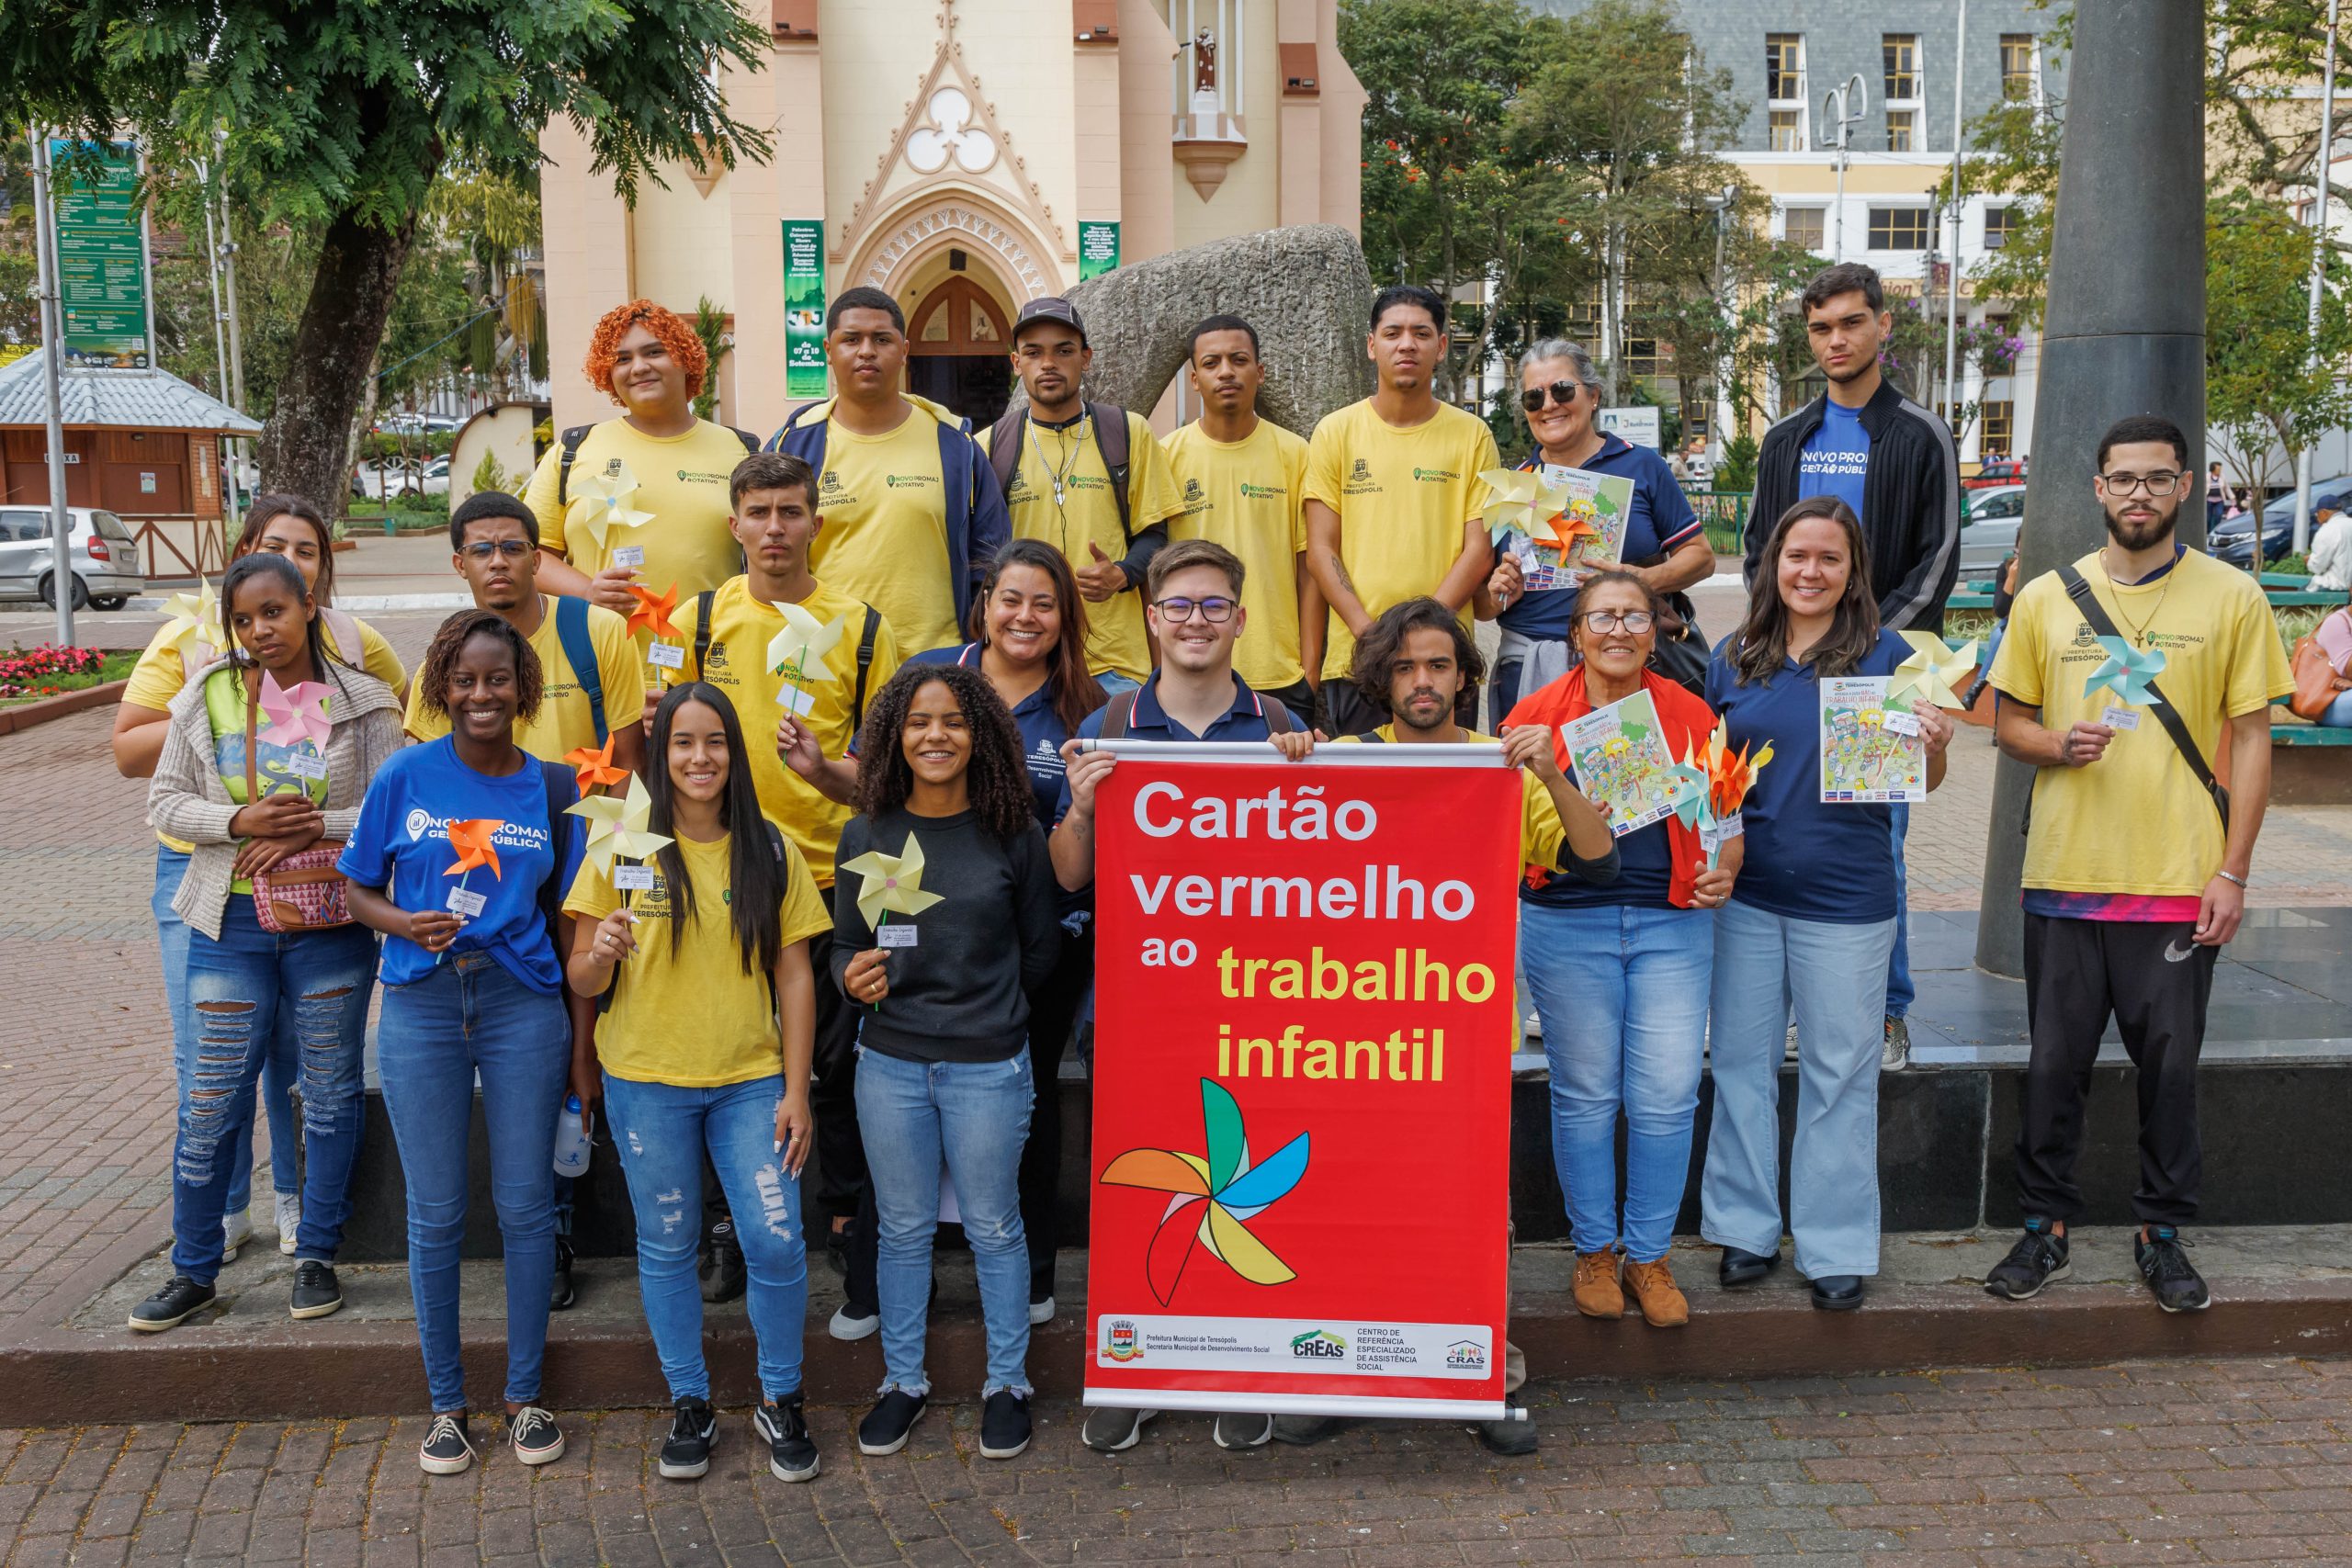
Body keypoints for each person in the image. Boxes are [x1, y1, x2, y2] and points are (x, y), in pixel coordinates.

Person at [1982, 416, 2293, 1314]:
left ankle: (2161, 1232)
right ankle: (2043, 1228)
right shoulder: (2047, 597)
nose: (2138, 494)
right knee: (2053, 1067)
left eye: (2157, 479)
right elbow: (2006, 723)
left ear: (2186, 486)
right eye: (2122, 478)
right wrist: (2053, 741)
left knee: (2169, 1068)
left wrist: (2232, 871)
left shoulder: (2231, 597)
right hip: (2066, 877)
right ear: (2096, 487)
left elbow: (2250, 741)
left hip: (2176, 883)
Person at [1309, 596, 1619, 1458]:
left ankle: (1478, 1373)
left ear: (1463, 676)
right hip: (1354, 1034)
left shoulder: (1498, 767)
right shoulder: (1344, 761)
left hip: (1462, 1040)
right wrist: (1292, 761)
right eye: (1405, 666)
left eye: (1438, 665)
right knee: (1352, 1204)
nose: (1421, 681)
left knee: (1468, 1212)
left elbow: (1600, 861)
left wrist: (1553, 772)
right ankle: (1332, 1373)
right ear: (1381, 677)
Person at [1050, 537, 1313, 1457]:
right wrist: (1081, 807)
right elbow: (1069, 878)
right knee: (1136, 1192)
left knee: (1238, 1194)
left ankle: (1238, 1367)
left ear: (1240, 620)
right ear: (1150, 618)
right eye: (1178, 607)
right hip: (1136, 1014)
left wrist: (1311, 782)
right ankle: (1130, 1369)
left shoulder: (1280, 727)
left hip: (1249, 1014)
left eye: (1213, 606)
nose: (1195, 622)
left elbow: (1328, 876)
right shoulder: (1110, 723)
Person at [113, 493, 409, 1263]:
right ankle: (194, 1265)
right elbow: (163, 796)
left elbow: (391, 813)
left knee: (328, 1093)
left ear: (311, 605)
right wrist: (240, 822)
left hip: (329, 926)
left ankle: (315, 1254)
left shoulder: (366, 698)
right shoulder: (205, 696)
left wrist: (318, 825)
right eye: (245, 620)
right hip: (226, 924)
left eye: (275, 611)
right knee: (211, 1095)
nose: (260, 631)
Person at [565, 682, 831, 1483]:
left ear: (733, 752)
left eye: (714, 741)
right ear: (660, 753)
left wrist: (797, 1089)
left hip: (752, 1083)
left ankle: (780, 1396)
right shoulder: (618, 844)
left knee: (777, 1239)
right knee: (668, 1243)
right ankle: (690, 1400)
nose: (699, 757)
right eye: (682, 742)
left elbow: (795, 978)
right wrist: (601, 950)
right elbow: (580, 977)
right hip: (647, 1080)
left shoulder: (772, 849)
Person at [1702, 497, 1954, 1313]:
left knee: (1839, 1073)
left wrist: (1936, 747)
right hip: (1746, 899)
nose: (1810, 572)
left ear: (1853, 573)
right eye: (1797, 556)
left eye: (1829, 559)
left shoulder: (1889, 657)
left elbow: (1922, 783)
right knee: (1740, 1065)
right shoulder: (1734, 655)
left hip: (1848, 901)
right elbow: (1708, 776)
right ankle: (1743, 1229)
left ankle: (1834, 1244)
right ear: (1774, 564)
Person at [341, 610, 579, 1473]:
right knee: (435, 1211)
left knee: (524, 1207)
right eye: (466, 680)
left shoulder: (552, 788)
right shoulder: (405, 774)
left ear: (523, 687)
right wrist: (406, 920)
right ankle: (446, 1404)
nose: (483, 694)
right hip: (422, 1005)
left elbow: (572, 912)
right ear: (442, 687)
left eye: (499, 679)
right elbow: (355, 887)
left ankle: (524, 1396)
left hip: (523, 1004)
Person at [666, 451, 903, 1316]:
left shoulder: (864, 627)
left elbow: (882, 781)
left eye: (790, 512)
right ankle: (727, 1224)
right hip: (720, 873)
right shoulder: (695, 620)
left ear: (816, 523)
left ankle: (840, 1219)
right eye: (758, 512)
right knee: (734, 1058)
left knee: (833, 1065)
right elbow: (669, 749)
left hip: (829, 875)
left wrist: (822, 769)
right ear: (734, 525)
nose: (774, 528)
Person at [406, 488, 646, 1311]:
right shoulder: (447, 651)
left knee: (582, 1058)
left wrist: (613, 872)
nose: (499, 562)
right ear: (460, 563)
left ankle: (566, 1224)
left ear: (539, 555)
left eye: (515, 546)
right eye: (482, 549)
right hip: (482, 889)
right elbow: (419, 779)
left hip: (577, 870)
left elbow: (633, 760)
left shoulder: (597, 631)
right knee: (526, 1061)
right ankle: (542, 1231)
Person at [832, 663, 1061, 1462]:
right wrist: (849, 975)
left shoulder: (1015, 831)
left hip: (988, 1067)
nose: (936, 736)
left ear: (982, 735)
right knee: (900, 1229)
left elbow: (1039, 953)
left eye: (954, 721)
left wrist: (983, 1007)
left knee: (996, 1225)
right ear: (895, 733)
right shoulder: (867, 832)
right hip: (889, 1063)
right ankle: (904, 1381)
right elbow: (843, 945)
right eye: (920, 721)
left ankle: (1008, 1385)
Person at [1502, 570, 1738, 1333]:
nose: (1618, 629)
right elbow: (1499, 829)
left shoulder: (1692, 712)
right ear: (1575, 632)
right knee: (1585, 1094)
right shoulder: (1534, 715)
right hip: (1567, 924)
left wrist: (1723, 869)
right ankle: (1595, 1248)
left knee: (1668, 1097)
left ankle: (1649, 1253)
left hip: (1672, 924)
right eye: (1601, 615)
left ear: (1655, 629)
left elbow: (1724, 819)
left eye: (1635, 615)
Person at [1742, 262, 1963, 1073]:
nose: (1836, 339)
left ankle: (1887, 1013)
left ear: (1882, 327)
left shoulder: (1919, 433)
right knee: (1780, 822)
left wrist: (1865, 646)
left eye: (1850, 323)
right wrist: (1783, 635)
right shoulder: (1785, 438)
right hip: (1789, 664)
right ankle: (1794, 1009)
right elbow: (1762, 551)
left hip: (1881, 669)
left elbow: (1939, 562)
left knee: (1878, 842)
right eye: (1821, 327)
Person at [906, 539, 1109, 1324]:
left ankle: (1030, 1277)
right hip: (937, 936)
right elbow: (882, 789)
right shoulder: (931, 675)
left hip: (1047, 942)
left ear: (1066, 620)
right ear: (985, 604)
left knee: (1029, 1102)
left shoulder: (1093, 706)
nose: (1025, 616)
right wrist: (821, 770)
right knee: (919, 1100)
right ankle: (906, 1273)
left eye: (1045, 603)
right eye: (1011, 599)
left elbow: (1070, 865)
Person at [1476, 341, 1711, 728]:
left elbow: (1700, 557)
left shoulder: (1642, 465)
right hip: (1531, 669)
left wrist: (1644, 579)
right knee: (1532, 786)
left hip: (1627, 661)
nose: (1549, 405)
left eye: (1562, 390)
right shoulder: (1514, 485)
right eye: (1534, 398)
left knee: (1632, 782)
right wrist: (1498, 593)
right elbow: (1483, 605)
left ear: (1594, 396)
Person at [767, 287, 1012, 655]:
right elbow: (762, 558)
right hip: (826, 661)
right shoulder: (794, 445)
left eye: (882, 339)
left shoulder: (954, 445)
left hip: (934, 662)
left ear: (904, 352)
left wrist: (984, 648)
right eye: (851, 339)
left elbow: (992, 557)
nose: (867, 350)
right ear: (828, 352)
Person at [1305, 284, 1501, 738]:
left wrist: (1422, 637)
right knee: (1354, 800)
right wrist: (1373, 639)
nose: (1407, 343)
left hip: (1444, 663)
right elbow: (1320, 549)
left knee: (1444, 800)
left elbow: (1479, 551)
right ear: (1372, 345)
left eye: (1421, 333)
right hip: (1356, 658)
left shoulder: (1472, 436)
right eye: (1393, 333)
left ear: (1441, 346)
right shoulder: (1336, 432)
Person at [983, 296, 1183, 691]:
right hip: (1022, 662)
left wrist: (1122, 575)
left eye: (1064, 351)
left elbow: (1156, 536)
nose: (1049, 364)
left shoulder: (1128, 433)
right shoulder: (990, 445)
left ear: (1086, 358)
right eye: (1034, 353)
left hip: (1113, 663)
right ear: (1016, 363)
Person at [526, 298, 762, 615]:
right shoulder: (573, 450)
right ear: (607, 373)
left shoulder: (741, 451)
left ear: (685, 359)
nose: (639, 367)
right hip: (599, 655)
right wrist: (587, 590)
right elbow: (531, 558)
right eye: (622, 359)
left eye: (654, 352)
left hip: (709, 656)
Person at [1162, 313, 1321, 725]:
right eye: (1211, 363)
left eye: (1239, 359)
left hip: (1279, 672)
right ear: (1194, 379)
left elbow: (1309, 570)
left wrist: (1310, 669)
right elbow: (1154, 576)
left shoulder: (1296, 453)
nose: (1226, 372)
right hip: (1190, 671)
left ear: (1260, 372)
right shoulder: (1165, 457)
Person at [2308, 499, 2352, 592]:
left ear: (2324, 512)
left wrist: (2309, 561)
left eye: (2317, 513)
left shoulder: (2327, 530)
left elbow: (2317, 567)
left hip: (2336, 587)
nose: (2317, 517)